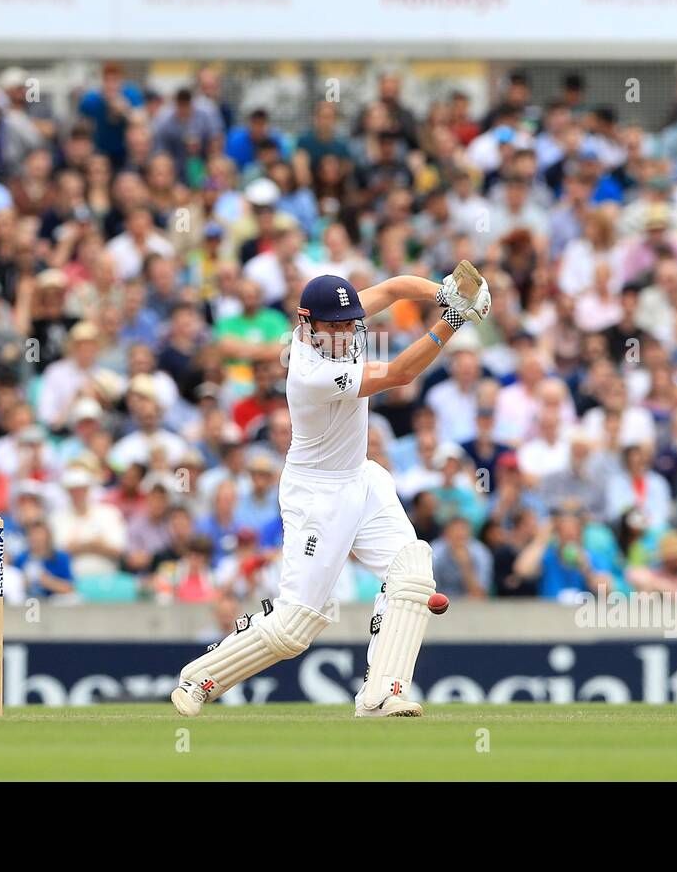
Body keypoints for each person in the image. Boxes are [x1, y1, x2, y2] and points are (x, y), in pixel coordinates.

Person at [170, 264, 491, 719]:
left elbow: (396, 287)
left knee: (412, 572)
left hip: (361, 477)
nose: (343, 333)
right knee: (294, 627)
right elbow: (400, 373)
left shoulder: (345, 324)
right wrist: (454, 320)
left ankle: (382, 693)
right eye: (332, 326)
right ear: (307, 325)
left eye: (349, 324)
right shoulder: (309, 371)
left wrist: (446, 292)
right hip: (316, 494)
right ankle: (200, 677)